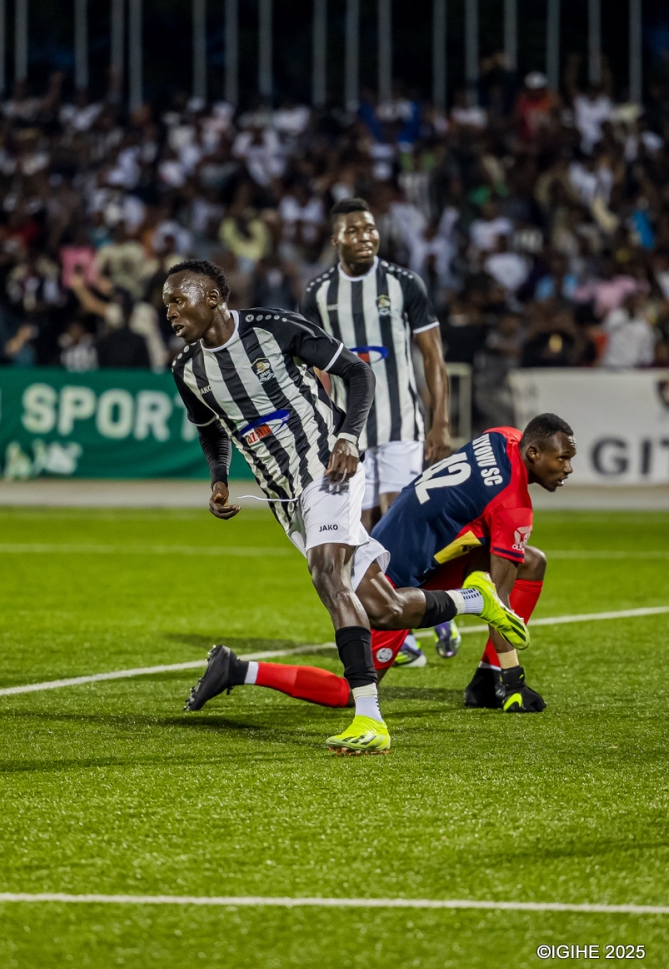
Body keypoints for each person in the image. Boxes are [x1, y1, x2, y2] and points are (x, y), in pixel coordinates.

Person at [165, 259, 527, 756]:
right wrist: (220, 479)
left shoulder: (275, 329)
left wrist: (348, 438)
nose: (169, 311)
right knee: (383, 608)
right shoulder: (187, 368)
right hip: (281, 493)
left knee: (326, 574)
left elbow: (357, 373)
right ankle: (476, 599)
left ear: (211, 298)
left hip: (326, 469)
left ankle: (370, 718)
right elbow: (210, 430)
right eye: (166, 303)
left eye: (176, 300)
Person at [300, 197, 456, 665]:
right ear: (336, 239)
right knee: (357, 534)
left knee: (396, 528)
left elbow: (433, 357)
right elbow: (312, 367)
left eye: (370, 229)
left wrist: (440, 422)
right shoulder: (318, 294)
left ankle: (421, 622)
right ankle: (412, 619)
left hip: (401, 426)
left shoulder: (403, 283)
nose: (365, 237)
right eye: (354, 231)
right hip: (349, 432)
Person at [367, 415, 576, 711]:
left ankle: (487, 680)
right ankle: (273, 673)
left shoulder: (502, 435)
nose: (568, 468)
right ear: (534, 453)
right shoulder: (514, 505)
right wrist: (514, 679)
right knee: (351, 693)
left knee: (529, 561)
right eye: (563, 458)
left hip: (380, 543)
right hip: (393, 582)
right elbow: (498, 601)